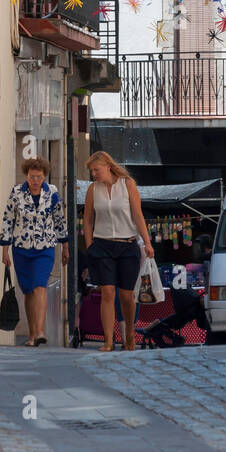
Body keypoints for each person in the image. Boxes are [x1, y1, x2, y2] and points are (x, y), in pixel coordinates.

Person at [83, 150, 153, 352]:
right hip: (102, 244)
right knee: (107, 292)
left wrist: (147, 243)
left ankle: (129, 335)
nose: (93, 174)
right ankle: (108, 340)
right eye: (91, 171)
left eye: (96, 170)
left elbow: (138, 215)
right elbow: (87, 220)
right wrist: (90, 246)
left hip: (127, 244)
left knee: (126, 295)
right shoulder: (92, 190)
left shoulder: (127, 184)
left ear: (107, 166)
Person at [0, 157, 69, 347]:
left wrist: (65, 247)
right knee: (29, 291)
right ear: (26, 176)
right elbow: (7, 220)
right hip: (21, 249)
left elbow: (60, 221)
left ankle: (39, 331)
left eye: (39, 177)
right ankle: (32, 335)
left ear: (45, 176)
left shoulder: (52, 193)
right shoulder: (17, 193)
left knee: (40, 286)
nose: (35, 180)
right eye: (32, 177)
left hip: (45, 248)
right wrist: (5, 251)